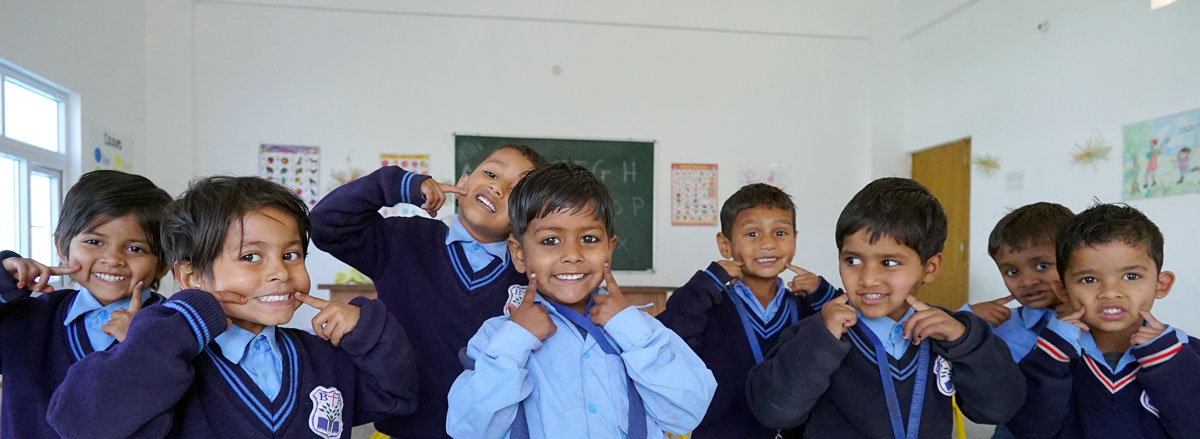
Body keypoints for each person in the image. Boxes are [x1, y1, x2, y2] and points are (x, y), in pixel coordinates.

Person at [47, 176, 418, 438]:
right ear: (191, 276)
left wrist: (369, 333)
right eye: (251, 256)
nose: (280, 272)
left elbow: (395, 398)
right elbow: (82, 422)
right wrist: (184, 318)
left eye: (291, 255)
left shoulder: (321, 357)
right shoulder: (163, 363)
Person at [446, 163, 716, 438]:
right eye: (550, 241)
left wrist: (630, 329)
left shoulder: (639, 330)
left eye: (589, 238)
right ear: (519, 254)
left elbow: (688, 412)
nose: (573, 255)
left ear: (609, 249)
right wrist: (515, 342)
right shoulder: (499, 336)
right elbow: (468, 430)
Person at [746, 177, 1025, 438]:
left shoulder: (951, 334)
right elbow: (774, 412)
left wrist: (964, 341)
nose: (868, 279)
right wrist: (821, 340)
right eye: (853, 260)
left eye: (889, 263)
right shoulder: (817, 332)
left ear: (930, 268)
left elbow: (999, 409)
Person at [309, 144, 545, 438]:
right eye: (491, 174)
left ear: (528, 216)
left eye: (516, 190)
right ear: (463, 182)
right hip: (399, 430)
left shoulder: (532, 274)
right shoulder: (404, 239)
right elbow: (326, 224)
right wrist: (399, 185)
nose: (498, 188)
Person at [656, 183, 838, 438]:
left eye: (780, 233)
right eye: (752, 234)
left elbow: (852, 335)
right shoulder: (709, 307)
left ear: (795, 239)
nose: (768, 244)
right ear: (725, 245)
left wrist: (824, 295)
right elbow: (668, 337)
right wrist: (707, 282)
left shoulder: (808, 308)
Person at [0, 170, 171, 439]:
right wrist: (2, 283)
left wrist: (142, 346)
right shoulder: (27, 319)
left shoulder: (178, 328)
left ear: (163, 263)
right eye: (94, 242)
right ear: (61, 247)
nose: (112, 259)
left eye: (135, 248)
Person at [1006, 203, 1200, 439]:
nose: (1110, 292)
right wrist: (1051, 357)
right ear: (1063, 290)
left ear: (1161, 284)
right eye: (1089, 279)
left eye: (1131, 276)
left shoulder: (1186, 352)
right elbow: (1029, 431)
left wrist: (1168, 362)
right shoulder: (1052, 355)